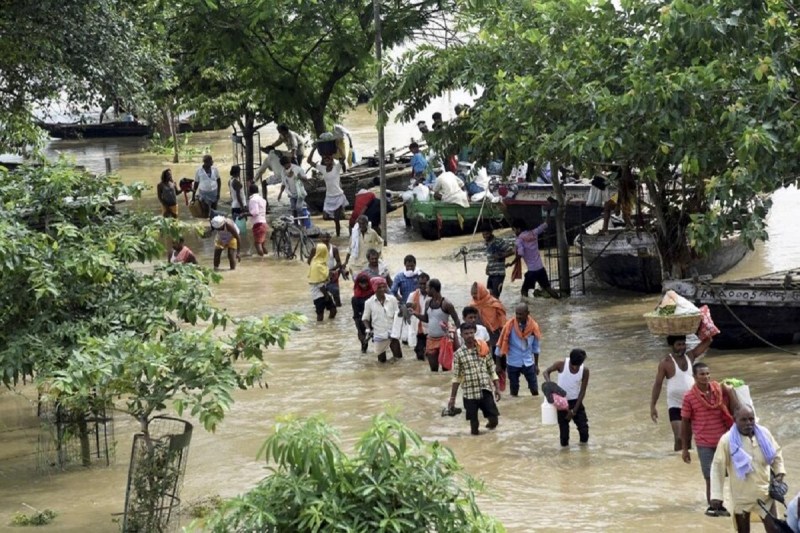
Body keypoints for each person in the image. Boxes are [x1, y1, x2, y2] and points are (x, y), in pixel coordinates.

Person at [710, 405, 786, 532]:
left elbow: (777, 455)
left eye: (751, 419)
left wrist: (779, 475)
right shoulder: (727, 440)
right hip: (742, 498)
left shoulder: (764, 434)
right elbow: (717, 467)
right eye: (743, 420)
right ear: (735, 419)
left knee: (775, 529)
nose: (748, 423)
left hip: (765, 494)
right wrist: (716, 495)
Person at [681, 362, 739, 517]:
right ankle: (714, 507)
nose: (705, 377)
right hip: (703, 443)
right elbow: (685, 423)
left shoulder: (719, 390)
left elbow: (737, 409)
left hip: (724, 440)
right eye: (701, 374)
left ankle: (734, 505)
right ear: (694, 377)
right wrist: (685, 449)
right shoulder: (689, 397)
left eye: (707, 373)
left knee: (732, 474)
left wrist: (730, 391)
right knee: (710, 477)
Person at [650, 334, 712, 451]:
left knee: (688, 439)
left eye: (684, 344)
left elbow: (708, 341)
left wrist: (700, 327)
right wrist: (653, 406)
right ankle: (676, 459)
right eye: (678, 345)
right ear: (671, 346)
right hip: (675, 404)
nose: (682, 347)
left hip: (691, 403)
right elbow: (658, 384)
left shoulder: (691, 356)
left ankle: (686, 465)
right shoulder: (665, 362)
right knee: (679, 438)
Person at [447, 323, 501, 436]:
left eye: (471, 333)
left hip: (485, 389)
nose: (469, 336)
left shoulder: (483, 348)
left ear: (475, 333)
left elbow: (491, 368)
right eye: (466, 334)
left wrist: (497, 388)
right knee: (474, 424)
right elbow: (456, 377)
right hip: (469, 393)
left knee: (494, 419)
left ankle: (489, 437)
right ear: (461, 335)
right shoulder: (458, 354)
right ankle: (476, 442)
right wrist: (452, 398)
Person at [543, 349, 590, 447]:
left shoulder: (585, 371)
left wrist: (574, 411)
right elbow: (546, 372)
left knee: (584, 431)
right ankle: (564, 457)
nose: (579, 366)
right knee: (564, 438)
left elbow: (582, 392)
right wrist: (550, 385)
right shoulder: (561, 364)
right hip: (561, 402)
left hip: (576, 402)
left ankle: (584, 453)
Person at [414, 278, 460, 372]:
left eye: (427, 288)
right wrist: (415, 313)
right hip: (431, 340)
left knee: (446, 370)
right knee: (433, 371)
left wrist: (458, 336)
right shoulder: (428, 303)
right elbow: (426, 319)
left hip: (445, 340)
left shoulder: (446, 304)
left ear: (433, 289)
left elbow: (456, 320)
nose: (425, 290)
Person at [496, 303, 541, 397]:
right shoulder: (509, 326)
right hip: (513, 362)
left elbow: (536, 347)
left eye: (521, 314)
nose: (518, 316)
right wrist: (498, 365)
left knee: (535, 390)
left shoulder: (533, 327)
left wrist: (536, 365)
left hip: (528, 362)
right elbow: (500, 345)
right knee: (514, 391)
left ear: (527, 313)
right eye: (517, 313)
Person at [512, 216, 560, 299]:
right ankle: (561, 301)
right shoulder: (534, 233)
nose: (514, 232)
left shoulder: (519, 240)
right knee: (547, 288)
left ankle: (526, 309)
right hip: (540, 268)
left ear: (518, 229)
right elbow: (545, 225)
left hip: (532, 271)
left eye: (514, 230)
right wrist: (548, 213)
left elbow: (520, 253)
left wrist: (512, 263)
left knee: (524, 291)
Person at [362, 277, 403, 363]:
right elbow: (365, 318)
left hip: (393, 333)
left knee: (398, 359)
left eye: (384, 287)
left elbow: (398, 315)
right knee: (381, 362)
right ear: (374, 288)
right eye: (379, 287)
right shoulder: (369, 302)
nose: (382, 289)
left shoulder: (392, 299)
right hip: (379, 334)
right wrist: (368, 329)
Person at [308, 153, 348, 236]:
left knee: (336, 219)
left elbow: (343, 157)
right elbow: (309, 161)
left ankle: (338, 235)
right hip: (329, 197)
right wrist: (314, 149)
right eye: (325, 160)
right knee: (325, 217)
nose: (327, 161)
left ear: (332, 160)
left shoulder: (336, 168)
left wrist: (338, 148)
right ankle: (341, 223)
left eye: (329, 160)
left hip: (338, 196)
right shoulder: (323, 169)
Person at [307, 232, 343, 308]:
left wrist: (330, 270)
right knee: (321, 297)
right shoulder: (315, 249)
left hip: (331, 276)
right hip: (320, 277)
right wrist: (318, 269)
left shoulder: (334, 249)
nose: (325, 239)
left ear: (330, 238)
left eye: (327, 237)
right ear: (320, 238)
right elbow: (309, 261)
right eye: (323, 237)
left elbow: (339, 263)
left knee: (336, 297)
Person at [600, 166, 636, 234]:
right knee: (607, 205)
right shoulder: (623, 174)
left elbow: (622, 192)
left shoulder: (623, 176)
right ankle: (605, 229)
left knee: (625, 214)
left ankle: (630, 226)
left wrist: (618, 206)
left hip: (627, 195)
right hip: (624, 194)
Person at [308, 242, 336, 321]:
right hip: (319, 293)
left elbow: (324, 276)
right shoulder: (317, 265)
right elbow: (319, 283)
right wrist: (326, 295)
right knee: (320, 315)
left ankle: (328, 328)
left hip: (323, 290)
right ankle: (320, 329)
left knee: (333, 310)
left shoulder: (317, 261)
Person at [483, 228, 515, 297]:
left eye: (487, 234)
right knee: (491, 297)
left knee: (495, 297)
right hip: (491, 274)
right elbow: (490, 258)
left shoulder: (499, 242)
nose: (485, 236)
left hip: (499, 274)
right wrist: (487, 267)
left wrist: (501, 256)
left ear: (491, 232)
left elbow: (512, 251)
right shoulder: (486, 243)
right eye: (483, 234)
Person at [405, 272, 430, 361]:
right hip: (418, 329)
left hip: (430, 329)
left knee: (431, 354)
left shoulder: (433, 295)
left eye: (424, 284)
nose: (422, 286)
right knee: (419, 354)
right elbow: (408, 309)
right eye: (421, 284)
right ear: (418, 284)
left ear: (428, 283)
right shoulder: (413, 295)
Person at [351, 271, 375, 353]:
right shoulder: (355, 298)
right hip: (362, 323)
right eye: (362, 283)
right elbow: (356, 316)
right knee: (364, 345)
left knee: (381, 344)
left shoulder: (374, 294)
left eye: (366, 283)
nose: (364, 285)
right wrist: (359, 332)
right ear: (358, 283)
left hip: (375, 321)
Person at [247, 184, 268, 257]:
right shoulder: (262, 199)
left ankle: (262, 261)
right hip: (264, 223)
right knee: (262, 244)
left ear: (249, 191)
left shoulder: (253, 200)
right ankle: (267, 257)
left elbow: (255, 212)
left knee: (257, 244)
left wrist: (244, 214)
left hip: (258, 224)